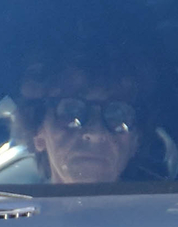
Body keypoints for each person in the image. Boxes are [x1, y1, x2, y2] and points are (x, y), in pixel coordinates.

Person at [16, 58, 149, 184]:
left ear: (135, 142)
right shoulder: (12, 207)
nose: (96, 133)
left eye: (117, 115)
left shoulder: (162, 206)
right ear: (38, 134)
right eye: (71, 111)